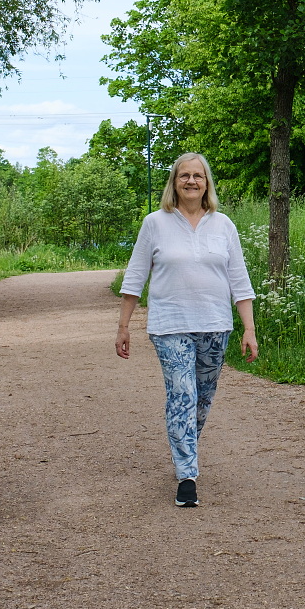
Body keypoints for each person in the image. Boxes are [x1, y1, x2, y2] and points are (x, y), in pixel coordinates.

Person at [116, 153, 258, 508]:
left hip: (215, 325)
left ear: (207, 182)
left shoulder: (223, 224)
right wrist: (123, 326)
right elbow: (135, 276)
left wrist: (249, 328)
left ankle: (185, 449)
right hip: (170, 326)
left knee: (202, 399)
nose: (191, 181)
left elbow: (239, 280)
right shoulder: (155, 223)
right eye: (184, 176)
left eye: (198, 176)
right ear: (174, 182)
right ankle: (187, 476)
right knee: (182, 395)